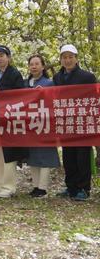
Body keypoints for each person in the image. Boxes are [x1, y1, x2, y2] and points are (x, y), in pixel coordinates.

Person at [53, 44, 97, 201]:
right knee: (68, 155)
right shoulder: (57, 77)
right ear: (61, 60)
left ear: (76, 59)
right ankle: (70, 186)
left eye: (70, 57)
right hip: (65, 122)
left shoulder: (87, 77)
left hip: (82, 122)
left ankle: (84, 188)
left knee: (82, 156)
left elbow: (93, 99)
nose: (67, 60)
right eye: (64, 57)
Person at [0, 45, 26, 199]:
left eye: (2, 55)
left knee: (9, 154)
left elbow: (20, 95)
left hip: (9, 119)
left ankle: (9, 186)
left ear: (8, 57)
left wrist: (1, 92)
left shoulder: (15, 74)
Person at [24, 54, 60, 198]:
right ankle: (35, 186)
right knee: (32, 155)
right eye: (31, 64)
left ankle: (43, 188)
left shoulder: (49, 83)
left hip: (45, 123)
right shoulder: (25, 83)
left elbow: (53, 101)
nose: (34, 66)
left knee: (45, 154)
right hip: (29, 123)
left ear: (43, 66)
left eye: (37, 64)